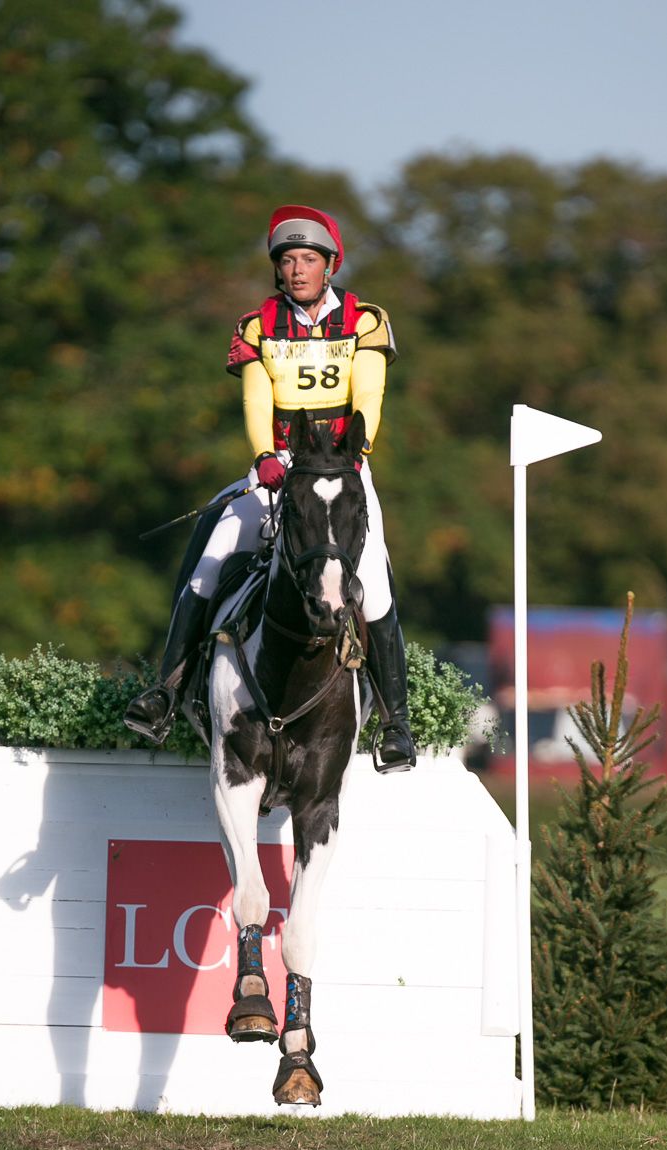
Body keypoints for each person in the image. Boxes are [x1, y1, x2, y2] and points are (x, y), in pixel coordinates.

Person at [124, 204, 416, 773]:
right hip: (281, 466)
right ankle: (166, 693)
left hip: (343, 466)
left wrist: (354, 454)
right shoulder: (256, 326)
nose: (297, 269)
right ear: (277, 269)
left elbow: (368, 396)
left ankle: (395, 725)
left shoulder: (365, 321)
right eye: (287, 260)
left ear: (330, 265)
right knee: (210, 563)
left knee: (375, 588)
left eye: (308, 259)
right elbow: (256, 399)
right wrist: (264, 456)